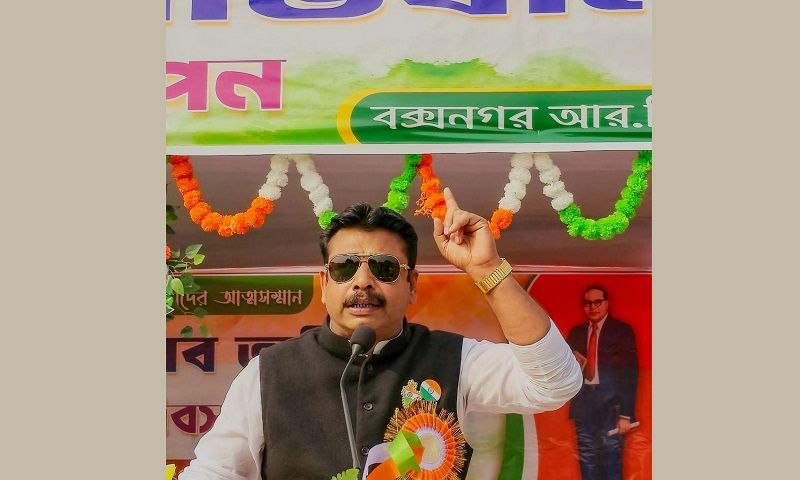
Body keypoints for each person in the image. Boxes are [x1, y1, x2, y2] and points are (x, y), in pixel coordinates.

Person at [179, 188, 582, 479]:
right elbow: (216, 471)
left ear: (412, 285)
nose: (363, 281)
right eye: (344, 268)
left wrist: (486, 269)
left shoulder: (454, 358)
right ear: (325, 284)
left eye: (385, 268)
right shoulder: (269, 372)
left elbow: (554, 384)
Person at [566, 286, 639, 480]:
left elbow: (630, 373)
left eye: (597, 302)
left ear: (607, 303)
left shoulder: (621, 331)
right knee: (587, 457)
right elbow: (565, 370)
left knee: (612, 456)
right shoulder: (576, 333)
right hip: (584, 403)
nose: (593, 307)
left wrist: (625, 415)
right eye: (588, 303)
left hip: (612, 406)